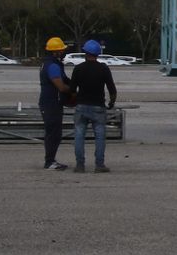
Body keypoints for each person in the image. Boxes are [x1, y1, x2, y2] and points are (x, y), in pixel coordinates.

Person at [69, 39, 118, 173]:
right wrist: (111, 102)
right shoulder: (103, 69)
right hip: (98, 107)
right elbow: (112, 89)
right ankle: (99, 164)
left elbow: (72, 90)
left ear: (85, 53)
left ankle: (80, 165)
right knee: (100, 137)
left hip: (81, 106)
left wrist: (74, 101)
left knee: (79, 136)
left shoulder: (78, 69)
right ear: (98, 54)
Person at [37, 37, 72, 170]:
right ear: (55, 52)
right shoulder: (53, 66)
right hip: (51, 104)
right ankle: (50, 162)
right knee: (54, 134)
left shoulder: (48, 64)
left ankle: (50, 160)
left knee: (53, 133)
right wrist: (73, 92)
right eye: (61, 50)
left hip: (50, 103)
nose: (63, 53)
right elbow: (61, 87)